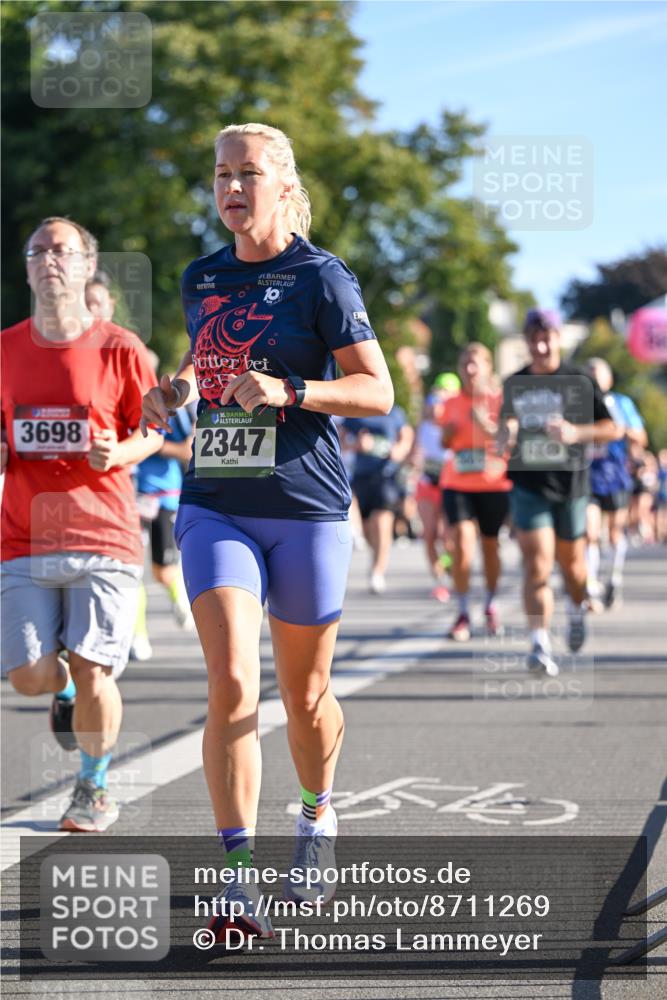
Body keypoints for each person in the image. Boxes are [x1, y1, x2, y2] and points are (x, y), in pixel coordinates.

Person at [140, 123, 394, 941]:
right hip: (215, 498)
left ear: (284, 185)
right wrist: (173, 390)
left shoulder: (322, 279)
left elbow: (376, 392)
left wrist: (290, 392)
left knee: (305, 696)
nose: (231, 187)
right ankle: (236, 877)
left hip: (305, 509)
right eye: (221, 174)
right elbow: (201, 353)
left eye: (247, 172)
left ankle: (317, 816)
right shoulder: (201, 275)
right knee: (230, 684)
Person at [0, 216, 162, 831]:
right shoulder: (6, 348)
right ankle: (61, 688)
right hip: (23, 536)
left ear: (89, 266)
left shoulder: (121, 348)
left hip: (104, 534)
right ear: (27, 267)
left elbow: (153, 430)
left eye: (62, 251)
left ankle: (92, 788)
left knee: (97, 664)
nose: (49, 261)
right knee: (28, 676)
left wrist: (118, 453)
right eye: (37, 251)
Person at [498, 309, 615, 676]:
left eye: (548, 337)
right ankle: (539, 643)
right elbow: (506, 425)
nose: (542, 345)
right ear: (527, 342)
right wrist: (506, 434)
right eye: (535, 339)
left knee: (574, 569)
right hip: (529, 485)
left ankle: (577, 609)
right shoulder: (514, 382)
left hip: (572, 486)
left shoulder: (580, 379)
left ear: (558, 339)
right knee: (537, 565)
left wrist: (576, 433)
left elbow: (612, 429)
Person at [440, 344, 511, 640]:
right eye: (465, 364)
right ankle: (463, 610)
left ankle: (491, 604)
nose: (470, 370)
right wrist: (449, 429)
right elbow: (444, 441)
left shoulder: (500, 400)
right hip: (457, 482)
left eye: (476, 364)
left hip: (494, 483)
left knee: (490, 548)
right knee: (463, 544)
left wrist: (486, 424)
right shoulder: (451, 401)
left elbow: (509, 441)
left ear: (488, 368)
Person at [585, 358, 647, 609]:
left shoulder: (621, 403)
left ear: (608, 379)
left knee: (614, 532)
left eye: (597, 375)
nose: (592, 380)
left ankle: (613, 577)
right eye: (588, 375)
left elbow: (640, 437)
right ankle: (590, 585)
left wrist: (619, 428)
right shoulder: (578, 404)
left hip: (615, 474)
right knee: (589, 532)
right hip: (587, 475)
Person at [342, 405, 414, 593]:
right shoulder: (356, 411)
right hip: (361, 477)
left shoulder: (395, 412)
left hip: (386, 476)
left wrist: (399, 450)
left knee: (382, 524)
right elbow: (339, 439)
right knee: (367, 530)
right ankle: (376, 558)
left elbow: (406, 436)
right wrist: (355, 445)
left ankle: (377, 572)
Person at [410, 373, 460, 602]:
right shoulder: (423, 425)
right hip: (428, 482)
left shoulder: (457, 423)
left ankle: (450, 564)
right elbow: (414, 453)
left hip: (451, 483)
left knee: (447, 536)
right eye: (435, 397)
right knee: (429, 534)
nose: (438, 403)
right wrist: (414, 462)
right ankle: (439, 582)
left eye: (445, 396)